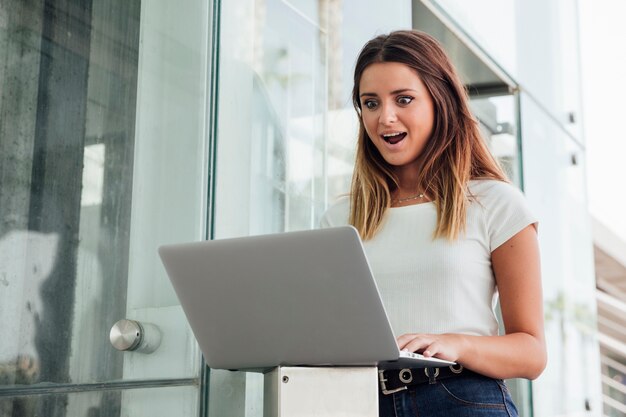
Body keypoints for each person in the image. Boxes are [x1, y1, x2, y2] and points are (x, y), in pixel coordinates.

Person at [320, 30, 546, 417]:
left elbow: (532, 352)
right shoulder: (340, 219)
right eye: (370, 102)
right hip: (360, 403)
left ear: (440, 100)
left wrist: (457, 344)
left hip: (462, 399)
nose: (384, 117)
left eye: (403, 99)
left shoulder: (495, 203)